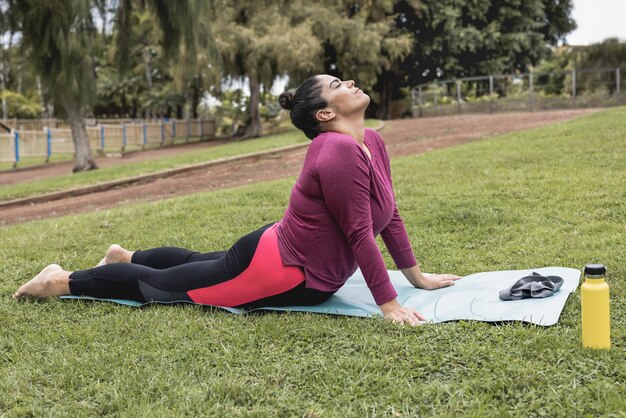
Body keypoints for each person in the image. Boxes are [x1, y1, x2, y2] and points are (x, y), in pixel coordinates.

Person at [13, 74, 462, 326]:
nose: (351, 82)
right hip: (282, 270)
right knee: (162, 288)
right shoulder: (337, 149)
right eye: (338, 83)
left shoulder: (371, 142)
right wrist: (389, 305)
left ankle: (122, 254)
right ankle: (61, 280)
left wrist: (417, 279)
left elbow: (389, 216)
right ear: (325, 114)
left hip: (278, 253)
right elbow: (360, 231)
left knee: (200, 262)